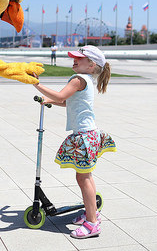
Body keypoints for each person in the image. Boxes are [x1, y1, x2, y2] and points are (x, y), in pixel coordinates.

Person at [32, 45, 116, 239]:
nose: (74, 60)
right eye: (74, 57)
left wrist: (36, 84)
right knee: (85, 177)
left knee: (83, 178)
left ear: (91, 65)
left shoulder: (78, 79)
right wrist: (47, 100)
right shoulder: (85, 79)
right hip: (89, 134)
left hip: (84, 136)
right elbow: (66, 101)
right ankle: (91, 213)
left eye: (79, 58)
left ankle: (92, 223)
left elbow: (61, 96)